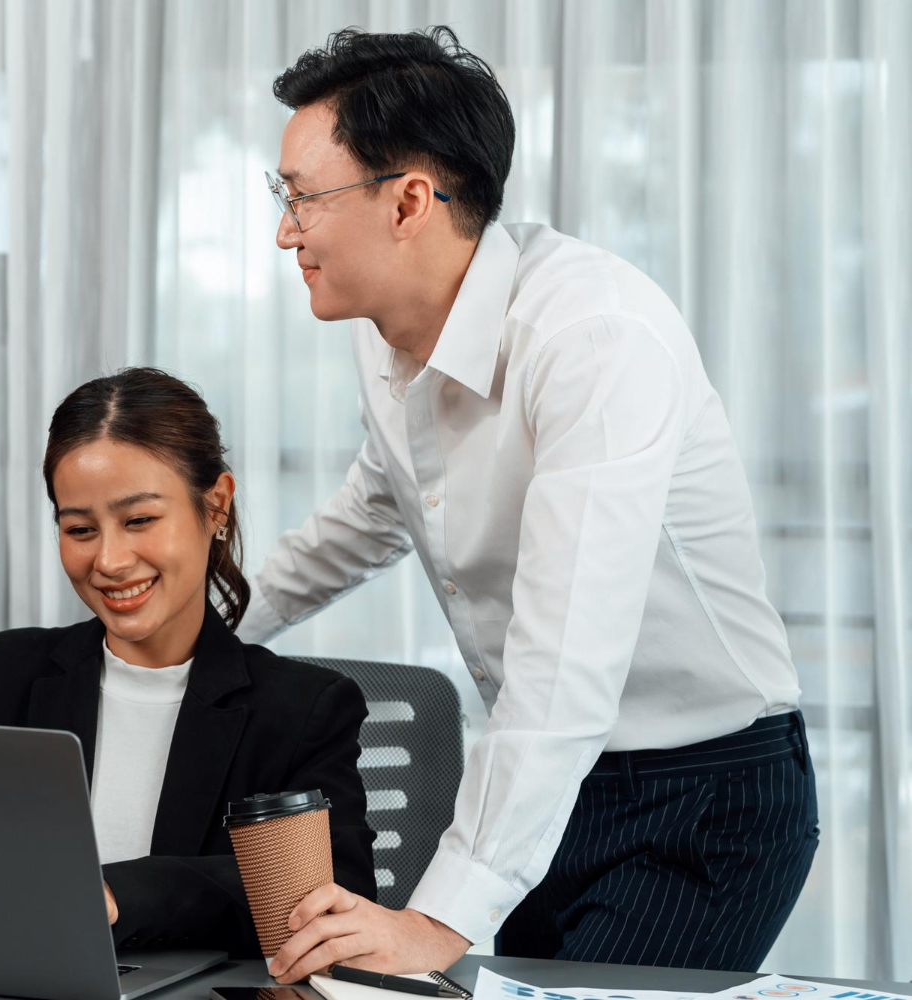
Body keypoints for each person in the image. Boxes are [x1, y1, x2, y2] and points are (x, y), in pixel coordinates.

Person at [243, 27, 818, 982]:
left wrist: (434, 919)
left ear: (410, 201)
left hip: (704, 793)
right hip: (553, 784)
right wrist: (191, 623)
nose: (284, 229)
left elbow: (564, 660)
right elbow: (364, 518)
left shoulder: (594, 338)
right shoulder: (385, 333)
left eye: (302, 196)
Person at [0, 368, 376, 954]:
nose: (110, 560)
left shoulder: (301, 709)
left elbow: (332, 898)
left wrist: (119, 894)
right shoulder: (5, 672)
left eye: (139, 520)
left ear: (216, 506)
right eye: (79, 528)